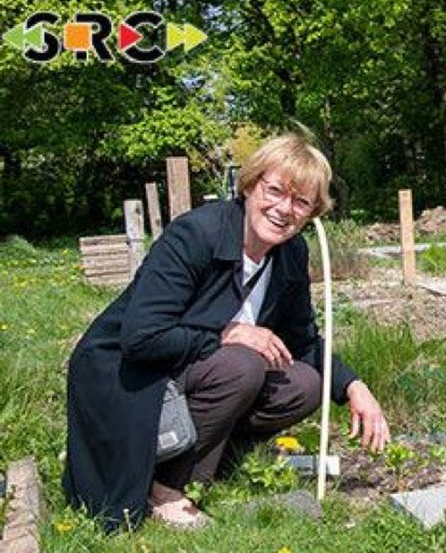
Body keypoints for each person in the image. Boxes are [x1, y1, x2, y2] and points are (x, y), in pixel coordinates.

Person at [63, 133, 391, 530]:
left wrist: (353, 386)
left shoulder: (290, 254)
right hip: (127, 373)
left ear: (312, 213)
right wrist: (225, 333)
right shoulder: (196, 235)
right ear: (251, 185)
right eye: (275, 191)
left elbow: (302, 341)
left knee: (304, 383)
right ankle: (163, 489)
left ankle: (203, 469)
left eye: (300, 202)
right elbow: (141, 337)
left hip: (191, 371)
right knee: (242, 365)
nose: (283, 209)